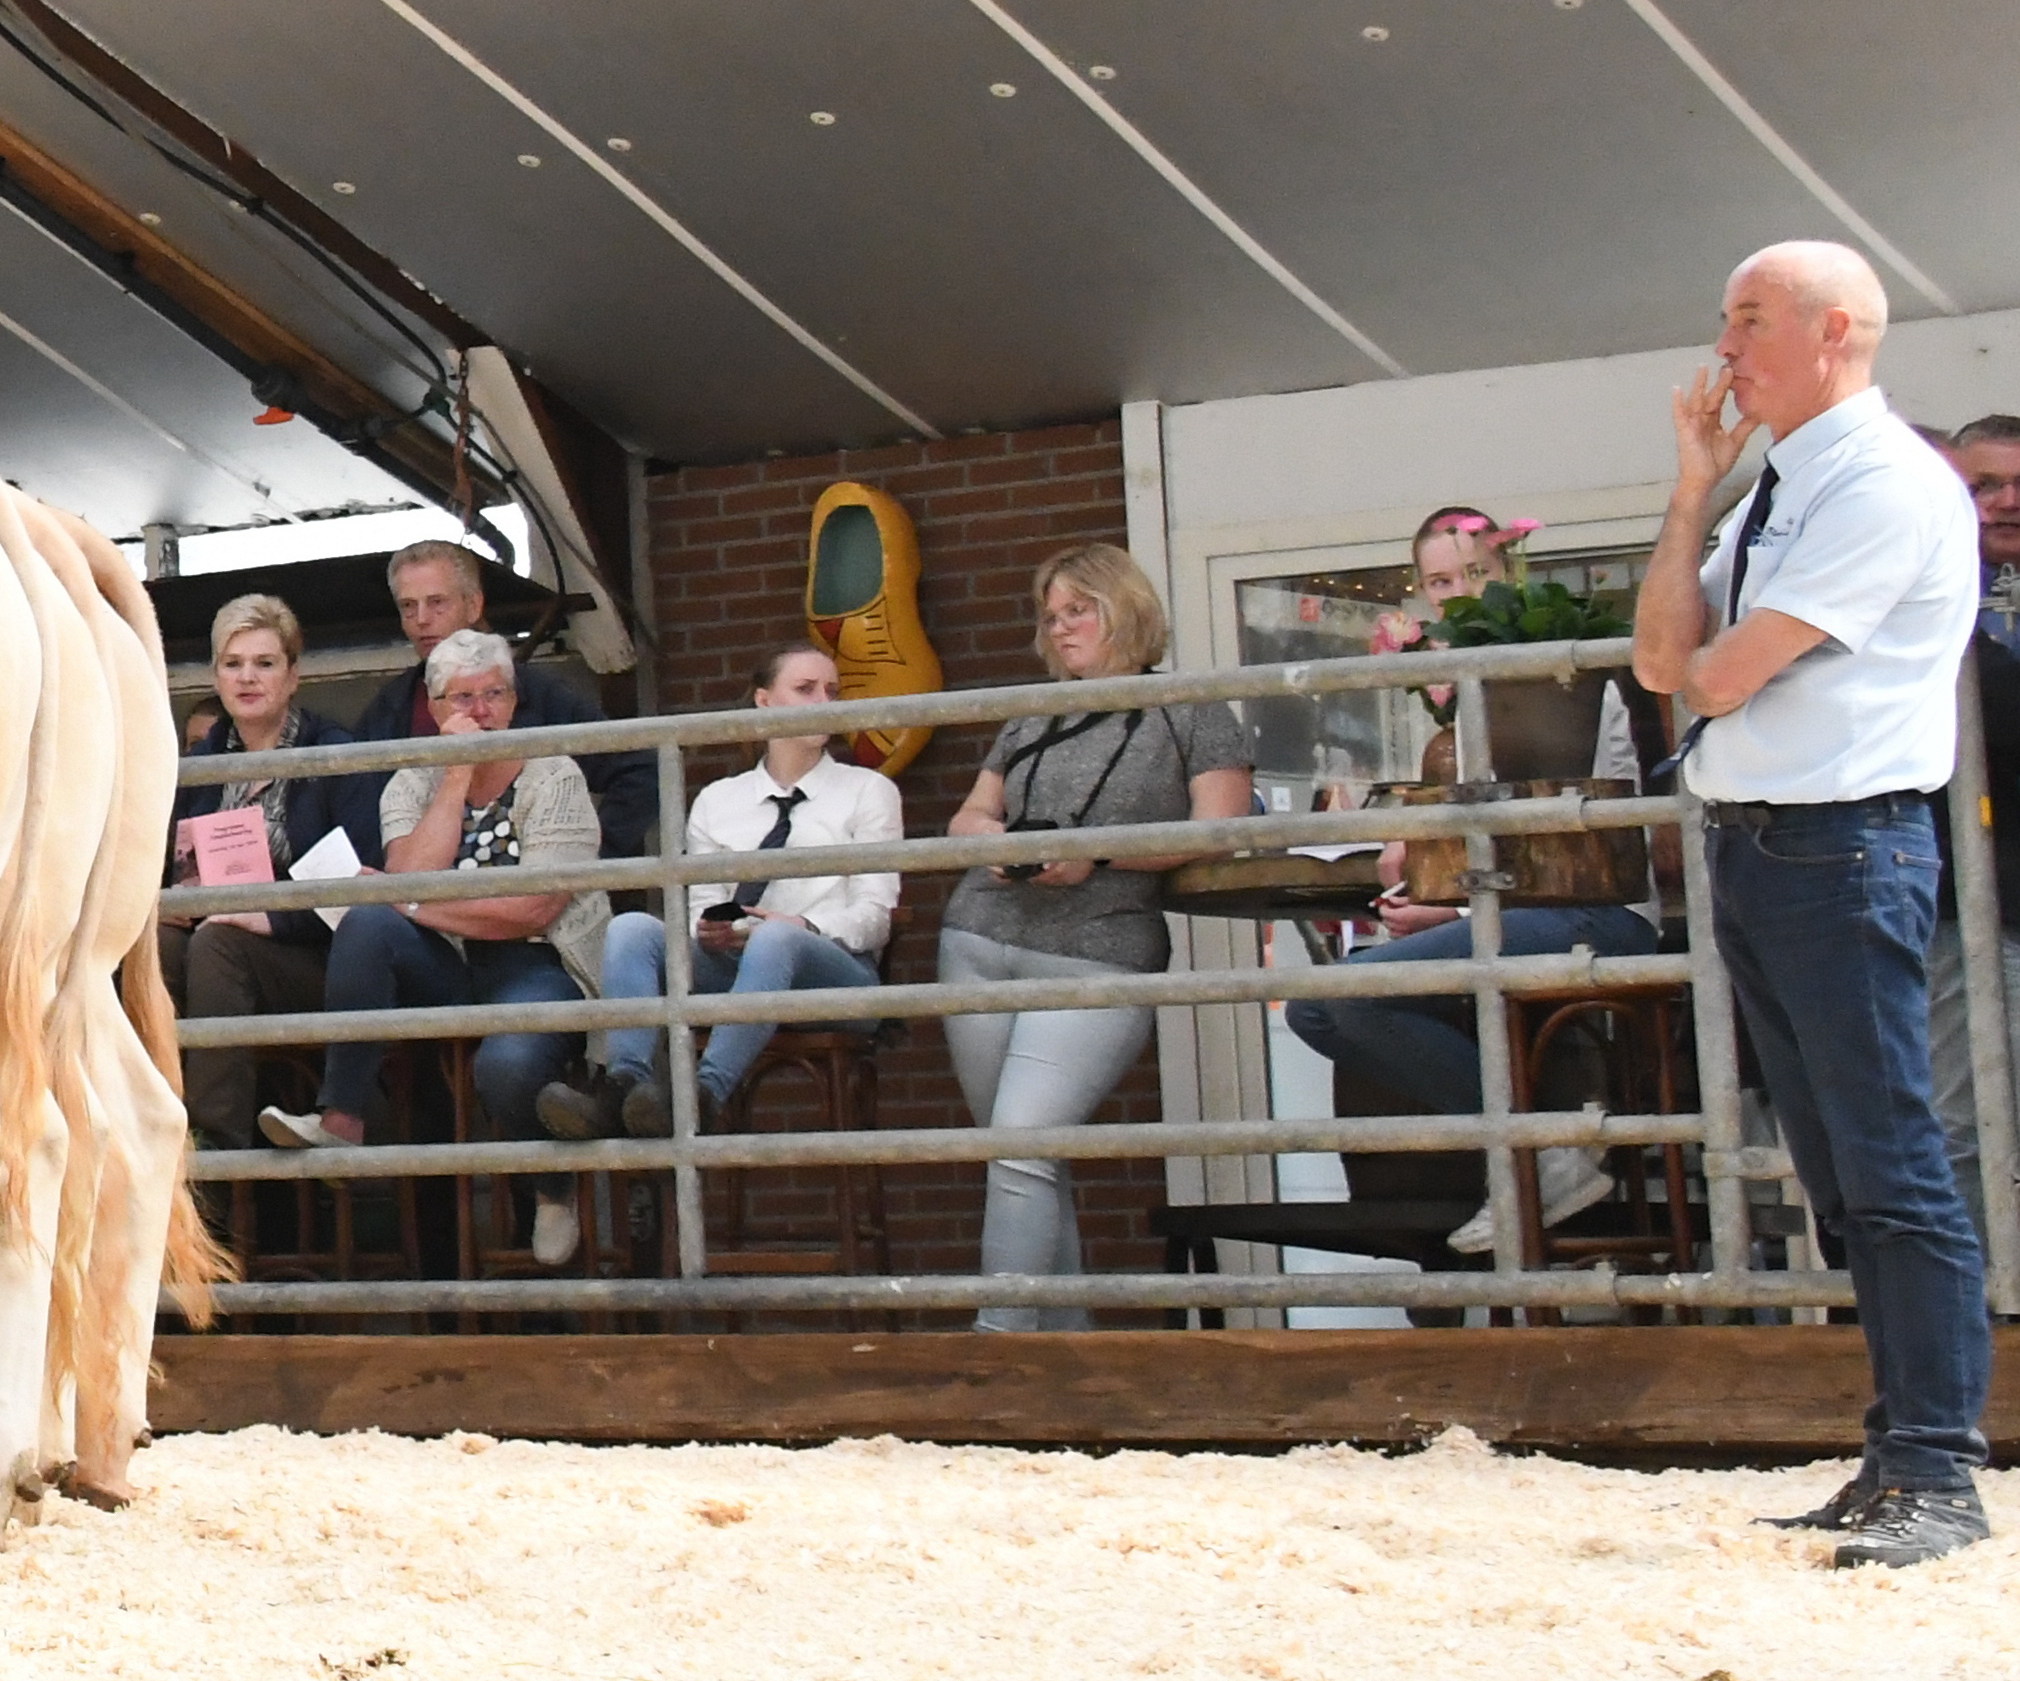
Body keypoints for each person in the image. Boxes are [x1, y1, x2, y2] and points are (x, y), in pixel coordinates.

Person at [1631, 246, 1989, 1568]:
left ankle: (1936, 1467)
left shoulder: (1884, 483)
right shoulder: (1766, 492)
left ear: (1833, 330)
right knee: (1844, 1174)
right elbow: (1658, 657)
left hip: (1841, 843)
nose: (1721, 348)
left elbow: (1714, 675)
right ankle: (1896, 1448)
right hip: (1766, 843)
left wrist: (1697, 650)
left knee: (1888, 1162)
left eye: (1744, 321)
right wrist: (1687, 495)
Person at [1291, 505, 1667, 1255]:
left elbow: (1565, 843)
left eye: (1474, 573)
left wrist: (1450, 909)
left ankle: (1538, 1151)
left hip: (1598, 910)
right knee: (1323, 1008)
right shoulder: (1466, 685)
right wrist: (1436, 890)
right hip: (1521, 912)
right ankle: (1535, 1154)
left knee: (1344, 999)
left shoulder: (1564, 667)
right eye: (1438, 579)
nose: (1458, 591)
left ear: (1506, 571)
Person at [940, 545, 1259, 1332]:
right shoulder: (1033, 711)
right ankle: (1066, 1362)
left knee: (1021, 1146)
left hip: (1099, 948)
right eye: (1050, 615)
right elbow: (966, 815)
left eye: (1076, 608)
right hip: (977, 934)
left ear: (1125, 607)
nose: (1060, 627)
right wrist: (1002, 839)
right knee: (1021, 1161)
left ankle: (997, 1351)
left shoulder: (1191, 703)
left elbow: (1220, 830)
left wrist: (1098, 853)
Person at [271, 627, 606, 1271]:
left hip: (537, 959)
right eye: (462, 699)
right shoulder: (413, 782)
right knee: (367, 923)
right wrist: (454, 779)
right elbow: (408, 873)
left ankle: (552, 1186)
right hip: (449, 960)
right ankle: (341, 1119)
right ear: (434, 707)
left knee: (504, 1067)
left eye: (494, 695)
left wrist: (418, 903)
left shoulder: (554, 773)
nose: (479, 713)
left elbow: (533, 908)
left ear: (514, 702)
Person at [561, 642, 900, 1140]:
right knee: (633, 927)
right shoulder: (719, 800)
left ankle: (703, 1096)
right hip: (737, 964)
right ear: (764, 701)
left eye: (832, 691)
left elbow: (875, 915)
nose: (823, 701)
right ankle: (622, 1084)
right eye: (805, 689)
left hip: (833, 971)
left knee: (776, 940)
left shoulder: (868, 790)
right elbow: (702, 906)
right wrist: (714, 931)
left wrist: (803, 926)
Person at [163, 592, 383, 1149]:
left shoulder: (334, 755)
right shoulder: (198, 768)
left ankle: (215, 1148)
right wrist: (179, 904)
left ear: (292, 675)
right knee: (153, 944)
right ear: (215, 677)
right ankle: (145, 1121)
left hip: (314, 954)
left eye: (264, 663)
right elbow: (172, 868)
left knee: (218, 944)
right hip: (217, 943)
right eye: (232, 664)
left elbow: (359, 887)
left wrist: (270, 919)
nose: (247, 678)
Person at [352, 535, 647, 856]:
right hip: (423, 887)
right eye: (408, 606)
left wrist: (589, 856)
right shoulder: (391, 707)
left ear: (474, 605)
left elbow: (639, 769)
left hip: (532, 892)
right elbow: (359, 810)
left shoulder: (537, 691)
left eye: (437, 602)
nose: (422, 619)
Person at [1933, 417, 2020, 1214]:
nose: (2004, 502)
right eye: (1983, 484)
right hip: (1990, 899)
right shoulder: (1930, 598)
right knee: (1989, 1118)